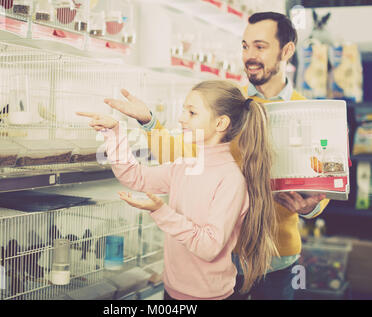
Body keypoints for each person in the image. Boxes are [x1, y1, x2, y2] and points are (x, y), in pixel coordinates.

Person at [102, 12, 330, 300]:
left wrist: (309, 208)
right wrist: (149, 121)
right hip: (223, 257)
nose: (249, 55)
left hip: (276, 259)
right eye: (245, 46)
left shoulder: (308, 113)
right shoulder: (231, 101)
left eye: (260, 47)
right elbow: (184, 157)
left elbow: (320, 184)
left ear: (287, 51)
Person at [78, 80, 279, 300]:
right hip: (172, 291)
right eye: (184, 110)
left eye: (192, 113)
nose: (181, 118)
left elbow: (208, 247)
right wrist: (114, 133)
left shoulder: (230, 180)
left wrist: (161, 211)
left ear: (220, 123)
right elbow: (134, 176)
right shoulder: (185, 165)